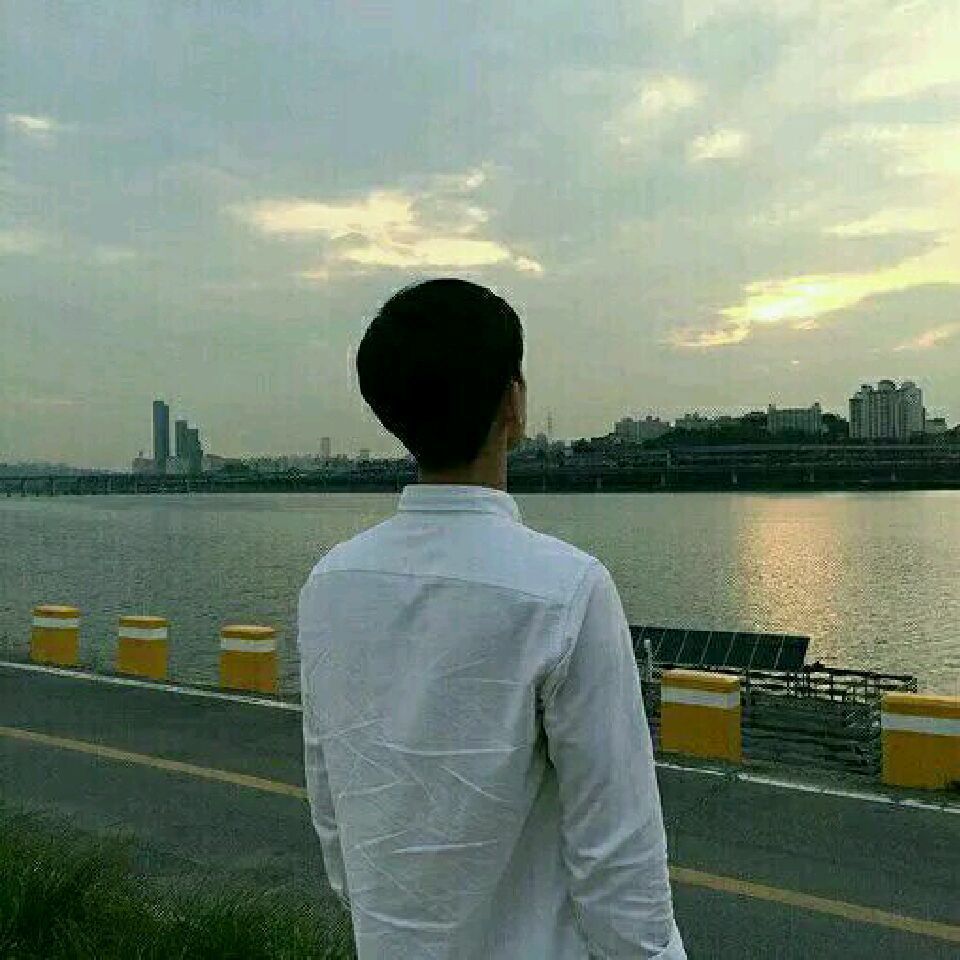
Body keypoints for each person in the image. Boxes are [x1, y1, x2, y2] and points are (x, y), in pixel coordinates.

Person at [298, 278, 686, 959]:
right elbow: (619, 864)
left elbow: (335, 813)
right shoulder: (566, 591)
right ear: (514, 402)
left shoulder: (330, 585)